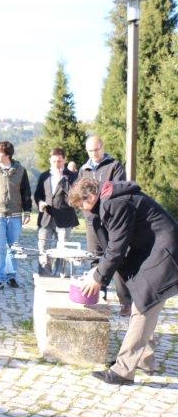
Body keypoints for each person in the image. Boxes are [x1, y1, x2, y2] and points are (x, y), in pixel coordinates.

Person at [70, 178, 178, 385]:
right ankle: (143, 360)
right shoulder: (109, 200)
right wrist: (99, 268)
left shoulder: (115, 203)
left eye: (80, 205)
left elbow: (117, 246)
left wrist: (98, 278)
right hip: (155, 251)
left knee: (144, 306)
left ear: (90, 197)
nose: (82, 210)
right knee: (144, 302)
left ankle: (123, 371)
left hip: (165, 252)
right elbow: (114, 244)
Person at [79, 135, 131, 316]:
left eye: (97, 149)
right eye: (90, 151)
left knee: (116, 257)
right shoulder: (83, 169)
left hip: (111, 217)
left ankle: (126, 302)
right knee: (95, 256)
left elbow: (117, 189)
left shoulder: (114, 166)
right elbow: (80, 192)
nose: (94, 154)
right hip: (92, 220)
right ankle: (97, 295)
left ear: (103, 147)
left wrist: (100, 201)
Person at [0, 141, 32, 291]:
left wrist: (27, 211)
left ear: (7, 154)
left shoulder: (21, 170)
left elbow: (26, 192)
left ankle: (11, 277)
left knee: (13, 248)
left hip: (15, 215)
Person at [33, 147, 78, 276]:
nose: (56, 164)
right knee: (43, 247)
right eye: (53, 161)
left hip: (65, 217)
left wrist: (62, 179)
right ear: (50, 161)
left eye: (59, 161)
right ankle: (45, 274)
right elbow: (38, 194)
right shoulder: (44, 176)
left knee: (62, 248)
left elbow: (74, 196)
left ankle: (60, 274)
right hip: (46, 217)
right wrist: (40, 203)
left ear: (64, 160)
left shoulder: (72, 176)